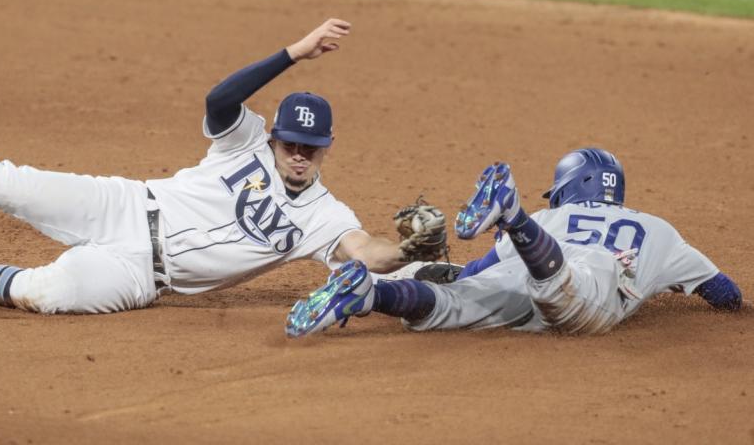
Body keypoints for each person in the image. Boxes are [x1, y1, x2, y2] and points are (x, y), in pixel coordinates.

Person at [0, 18, 443, 315]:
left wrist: (404, 247)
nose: (299, 154)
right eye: (291, 143)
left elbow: (366, 252)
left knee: (37, 294)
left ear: (325, 149)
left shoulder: (325, 216)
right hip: (125, 204)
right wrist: (293, 53)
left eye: (311, 147)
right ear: (275, 138)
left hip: (138, 275)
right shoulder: (242, 141)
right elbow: (219, 99)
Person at [285, 148, 743, 337]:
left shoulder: (554, 214)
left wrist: (434, 273)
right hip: (582, 278)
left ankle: (369, 294)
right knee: (565, 299)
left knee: (451, 303)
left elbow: (473, 274)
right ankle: (512, 214)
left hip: (524, 259)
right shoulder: (659, 230)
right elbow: (725, 294)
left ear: (568, 189)